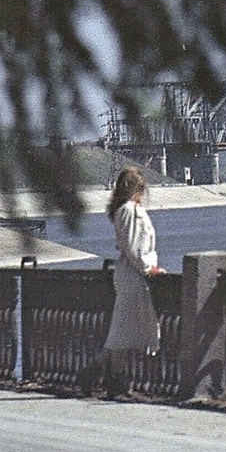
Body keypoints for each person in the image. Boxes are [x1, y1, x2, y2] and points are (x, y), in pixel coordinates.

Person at [79, 167, 164, 397]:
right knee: (122, 332)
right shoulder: (130, 211)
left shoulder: (125, 210)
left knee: (125, 331)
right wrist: (150, 268)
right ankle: (106, 377)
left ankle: (101, 376)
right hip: (133, 275)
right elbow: (133, 246)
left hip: (130, 274)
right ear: (138, 189)